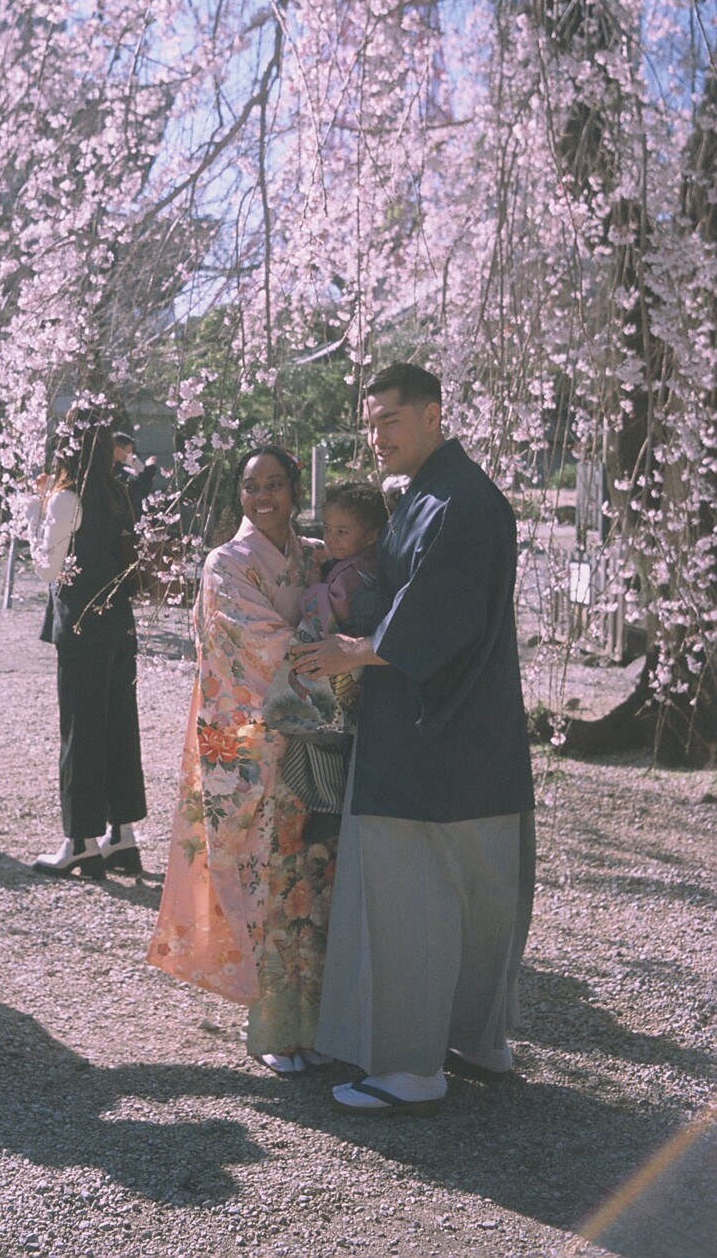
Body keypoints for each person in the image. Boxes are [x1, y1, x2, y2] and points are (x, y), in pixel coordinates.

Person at [293, 363, 535, 1116]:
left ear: (433, 414)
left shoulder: (458, 501)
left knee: (410, 895)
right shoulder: (443, 496)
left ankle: (409, 1064)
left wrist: (351, 652)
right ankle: (475, 1037)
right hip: (475, 733)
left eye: (388, 420)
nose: (375, 437)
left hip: (425, 732)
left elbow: (436, 614)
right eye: (368, 424)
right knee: (479, 889)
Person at [147, 445, 335, 1076]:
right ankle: (277, 1028)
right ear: (239, 497)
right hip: (252, 740)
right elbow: (253, 646)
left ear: (294, 488)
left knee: (317, 872)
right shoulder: (226, 562)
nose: (265, 497)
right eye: (253, 487)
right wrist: (341, 658)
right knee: (268, 876)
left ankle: (326, 1020)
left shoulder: (315, 554)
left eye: (277, 484)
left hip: (312, 737)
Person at [27, 416, 147, 878]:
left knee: (80, 727)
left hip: (80, 626)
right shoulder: (117, 493)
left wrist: (35, 510)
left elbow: (45, 568)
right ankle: (122, 835)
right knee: (119, 724)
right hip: (118, 622)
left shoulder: (65, 498)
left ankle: (79, 839)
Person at [262, 480, 388, 828]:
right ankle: (324, 814)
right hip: (343, 668)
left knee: (322, 737)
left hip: (341, 666)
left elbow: (336, 611)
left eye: (342, 531)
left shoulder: (358, 575)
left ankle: (327, 813)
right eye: (328, 529)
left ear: (371, 535)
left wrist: (315, 587)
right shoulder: (358, 564)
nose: (331, 538)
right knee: (321, 738)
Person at [112, 431, 159, 520]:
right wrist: (149, 469)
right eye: (128, 451)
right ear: (118, 449)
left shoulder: (124, 466)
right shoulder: (114, 470)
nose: (130, 454)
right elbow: (136, 486)